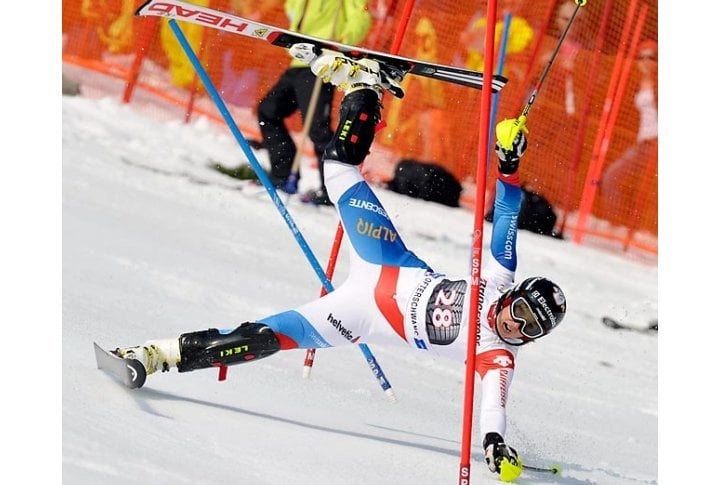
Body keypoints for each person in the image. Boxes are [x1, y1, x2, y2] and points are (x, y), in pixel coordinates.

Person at [112, 45, 567, 480]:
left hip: (360, 316)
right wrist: (508, 164)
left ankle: (154, 355)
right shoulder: (499, 275)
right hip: (386, 259)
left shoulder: (497, 355)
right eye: (522, 311)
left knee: (263, 339)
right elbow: (506, 213)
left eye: (530, 329)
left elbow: (494, 408)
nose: (516, 325)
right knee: (338, 171)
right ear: (515, 294)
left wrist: (493, 444)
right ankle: (366, 89)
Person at [257, 0, 372, 205]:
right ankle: (283, 174)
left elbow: (361, 17)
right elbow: (293, 13)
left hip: (321, 64)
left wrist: (343, 41)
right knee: (268, 111)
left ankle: (331, 190)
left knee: (318, 130)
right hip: (298, 63)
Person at [600, 39, 658, 223]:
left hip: (657, 143)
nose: (646, 62)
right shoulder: (637, 82)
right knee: (611, 176)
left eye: (651, 57)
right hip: (644, 144)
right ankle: (615, 224)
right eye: (641, 57)